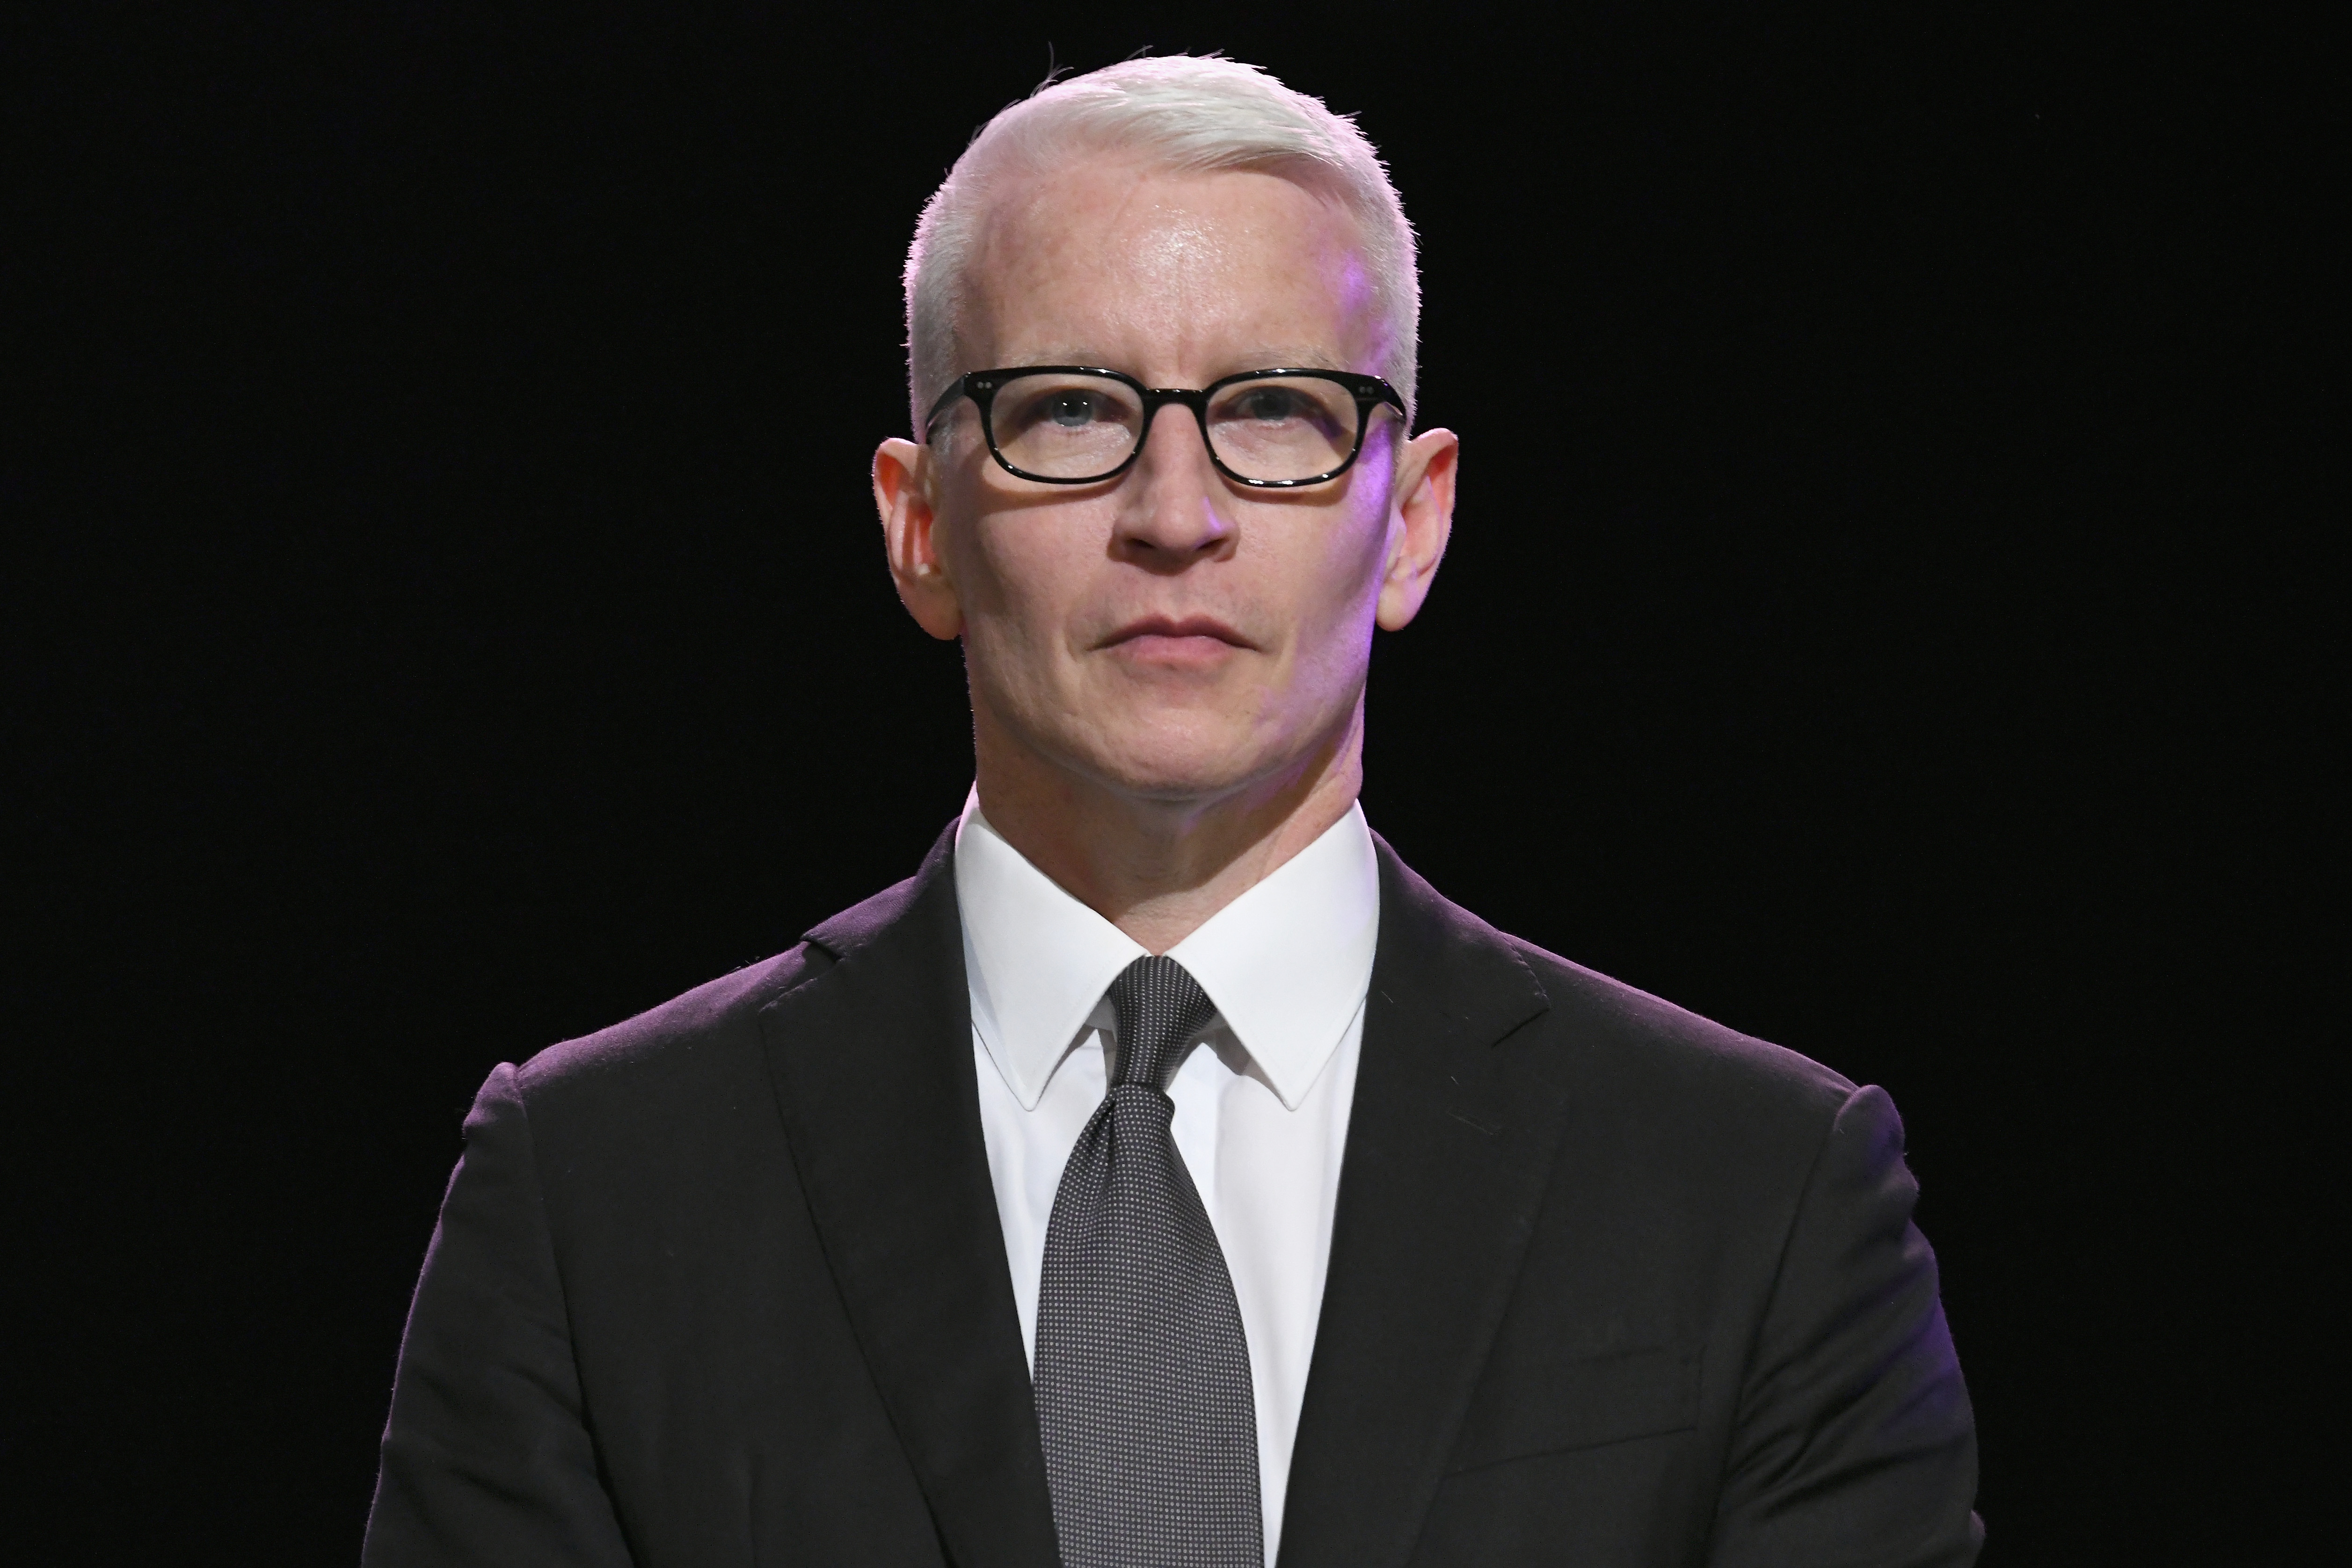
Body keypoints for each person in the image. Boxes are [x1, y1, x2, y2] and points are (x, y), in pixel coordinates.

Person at [363, 56, 1981, 1568]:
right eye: (1071, 409)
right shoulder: (592, 1197)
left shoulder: (1757, 1197)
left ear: (1410, 523)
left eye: (1274, 410)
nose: (1174, 513)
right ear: (919, 523)